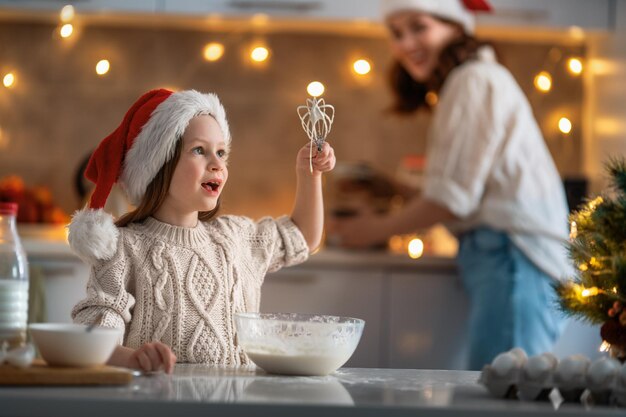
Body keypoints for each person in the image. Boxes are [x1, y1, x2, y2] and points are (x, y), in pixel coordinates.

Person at [331, 0, 571, 370]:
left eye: (418, 26)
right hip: (508, 257)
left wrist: (371, 230)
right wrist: (394, 187)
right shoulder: (474, 78)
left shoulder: (473, 80)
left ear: (455, 26)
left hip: (513, 257)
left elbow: (452, 200)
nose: (406, 42)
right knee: (501, 393)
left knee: (503, 399)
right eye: (396, 33)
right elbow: (466, 191)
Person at [68, 89, 335, 373]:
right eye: (199, 150)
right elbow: (93, 338)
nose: (217, 163)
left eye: (221, 152)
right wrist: (133, 360)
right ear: (160, 165)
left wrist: (309, 175)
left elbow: (304, 235)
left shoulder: (237, 237)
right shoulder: (124, 249)